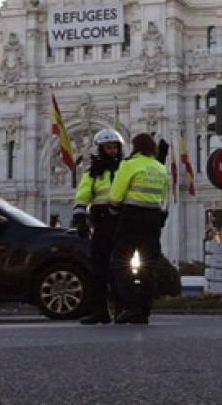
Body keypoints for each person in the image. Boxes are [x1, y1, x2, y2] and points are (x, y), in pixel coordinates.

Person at [107, 133, 170, 324]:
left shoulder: (129, 165)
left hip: (131, 218)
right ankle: (144, 309)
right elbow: (163, 196)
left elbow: (116, 196)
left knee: (121, 262)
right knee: (148, 266)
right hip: (153, 220)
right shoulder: (160, 167)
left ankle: (130, 305)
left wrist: (113, 212)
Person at [73, 129, 125, 325]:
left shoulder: (125, 169)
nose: (112, 151)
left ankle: (122, 308)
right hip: (102, 223)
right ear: (100, 149)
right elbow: (82, 196)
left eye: (114, 147)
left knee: (122, 268)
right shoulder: (92, 173)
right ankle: (100, 310)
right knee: (99, 268)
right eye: (108, 147)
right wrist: (80, 219)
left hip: (121, 224)